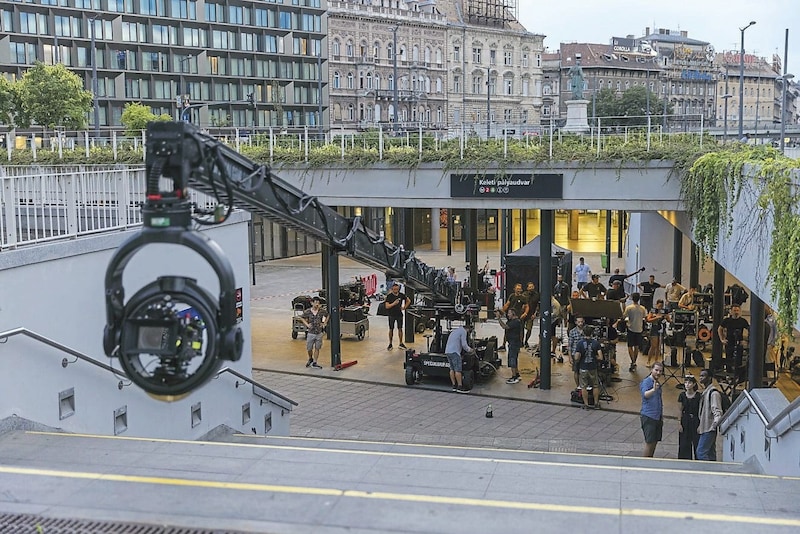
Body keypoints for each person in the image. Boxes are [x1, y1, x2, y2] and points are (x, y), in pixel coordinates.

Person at [696, 368, 723, 461]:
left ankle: (706, 472)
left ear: (710, 378)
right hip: (705, 426)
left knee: (701, 452)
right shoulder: (706, 392)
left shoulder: (713, 393)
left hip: (709, 427)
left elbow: (717, 410)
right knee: (710, 452)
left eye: (703, 376)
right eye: (700, 375)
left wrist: (714, 425)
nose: (700, 378)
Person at [575, 326, 604, 410]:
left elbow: (577, 357)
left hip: (583, 367)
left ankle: (586, 404)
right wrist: (595, 357)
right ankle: (596, 403)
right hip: (593, 367)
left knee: (583, 386)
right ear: (592, 333)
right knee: (595, 385)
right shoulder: (596, 343)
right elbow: (601, 357)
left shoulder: (580, 343)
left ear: (583, 333)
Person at [640, 361, 664, 457]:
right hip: (648, 416)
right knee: (649, 442)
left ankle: (650, 460)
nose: (658, 373)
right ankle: (645, 462)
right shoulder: (647, 382)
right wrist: (653, 390)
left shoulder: (657, 383)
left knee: (654, 441)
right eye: (656, 370)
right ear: (651, 370)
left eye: (660, 371)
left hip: (657, 417)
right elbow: (645, 394)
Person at [717, 304, 749, 371]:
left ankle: (738, 375)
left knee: (739, 360)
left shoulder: (743, 321)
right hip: (729, 342)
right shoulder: (727, 320)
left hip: (739, 343)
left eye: (737, 310)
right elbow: (720, 329)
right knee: (729, 359)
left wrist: (747, 341)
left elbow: (750, 330)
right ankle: (729, 374)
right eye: (734, 310)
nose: (736, 312)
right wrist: (722, 339)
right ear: (731, 311)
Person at [444, 322, 474, 393]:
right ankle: (460, 387)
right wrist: (470, 350)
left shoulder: (455, 331)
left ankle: (454, 386)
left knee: (452, 369)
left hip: (448, 351)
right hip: (455, 352)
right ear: (468, 329)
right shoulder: (463, 331)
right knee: (458, 370)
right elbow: (464, 344)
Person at [300, 296, 328, 369]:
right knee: (309, 348)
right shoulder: (308, 311)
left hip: (319, 332)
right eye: (315, 302)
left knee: (317, 348)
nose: (317, 304)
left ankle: (315, 361)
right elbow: (302, 317)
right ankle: (310, 358)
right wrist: (307, 324)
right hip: (311, 333)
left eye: (318, 303)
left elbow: (327, 315)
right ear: (312, 303)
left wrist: (324, 323)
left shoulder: (321, 311)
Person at [621, 292, 647, 372]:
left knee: (630, 346)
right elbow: (645, 317)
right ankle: (634, 361)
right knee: (636, 347)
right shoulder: (642, 308)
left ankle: (632, 361)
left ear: (632, 298)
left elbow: (623, 316)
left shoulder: (629, 308)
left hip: (631, 329)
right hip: (639, 329)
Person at [496, 308, 522, 384]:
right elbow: (505, 315)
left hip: (514, 343)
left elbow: (505, 326)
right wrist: (500, 311)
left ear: (513, 314)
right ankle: (517, 375)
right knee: (514, 359)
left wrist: (499, 319)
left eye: (509, 313)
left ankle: (514, 377)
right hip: (513, 343)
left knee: (512, 359)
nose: (508, 315)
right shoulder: (513, 320)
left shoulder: (515, 322)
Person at [678, 375, 701, 459]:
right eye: (686, 382)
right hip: (685, 420)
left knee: (697, 441)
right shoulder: (682, 395)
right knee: (684, 443)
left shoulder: (698, 396)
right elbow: (680, 410)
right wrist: (679, 423)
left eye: (689, 382)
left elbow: (701, 411)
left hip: (695, 419)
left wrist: (700, 424)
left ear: (694, 384)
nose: (687, 384)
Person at [500, 283, 529, 351]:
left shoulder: (523, 298)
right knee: (507, 329)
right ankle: (503, 344)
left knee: (520, 331)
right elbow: (507, 304)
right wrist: (502, 311)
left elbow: (527, 306)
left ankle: (519, 345)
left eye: (519, 289)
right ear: (514, 289)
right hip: (510, 317)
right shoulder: (512, 296)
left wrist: (525, 313)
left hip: (518, 317)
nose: (518, 290)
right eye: (517, 289)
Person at [385, 282, 410, 350]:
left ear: (398, 289)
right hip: (391, 315)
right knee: (391, 329)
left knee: (400, 329)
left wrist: (404, 307)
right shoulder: (389, 296)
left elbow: (408, 300)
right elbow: (387, 306)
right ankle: (390, 343)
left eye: (397, 289)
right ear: (392, 289)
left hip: (399, 314)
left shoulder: (401, 295)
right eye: (394, 289)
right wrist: (394, 303)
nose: (395, 290)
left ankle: (401, 343)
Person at [645, 299, 669, 366]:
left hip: (661, 328)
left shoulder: (665, 311)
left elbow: (669, 320)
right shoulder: (653, 310)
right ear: (656, 304)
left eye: (662, 306)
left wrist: (667, 317)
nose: (660, 307)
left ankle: (656, 361)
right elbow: (648, 320)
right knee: (653, 346)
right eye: (659, 306)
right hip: (654, 328)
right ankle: (648, 361)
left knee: (658, 346)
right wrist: (656, 317)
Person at [567, 316, 587, 387]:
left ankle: (584, 385)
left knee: (584, 371)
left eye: (581, 322)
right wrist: (570, 357)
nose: (580, 323)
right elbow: (569, 345)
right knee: (576, 371)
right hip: (575, 354)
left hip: (585, 354)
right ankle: (578, 386)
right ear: (576, 322)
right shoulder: (572, 332)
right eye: (579, 322)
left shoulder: (586, 331)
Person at [522, 281, 540, 348]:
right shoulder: (524, 294)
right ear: (527, 288)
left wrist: (535, 314)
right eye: (530, 287)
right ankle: (521, 341)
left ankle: (526, 341)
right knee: (521, 329)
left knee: (529, 329)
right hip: (523, 314)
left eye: (532, 287)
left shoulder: (536, 295)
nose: (531, 288)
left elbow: (538, 305)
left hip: (531, 314)